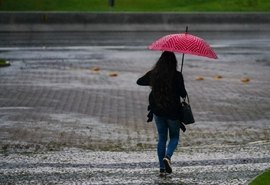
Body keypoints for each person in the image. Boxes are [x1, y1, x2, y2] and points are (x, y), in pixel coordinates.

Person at [136, 51, 187, 177]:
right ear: (174, 62)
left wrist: (152, 79)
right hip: (173, 112)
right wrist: (179, 79)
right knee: (174, 137)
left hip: (158, 111)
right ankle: (168, 157)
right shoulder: (177, 75)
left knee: (162, 138)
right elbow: (183, 94)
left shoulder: (154, 74)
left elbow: (139, 81)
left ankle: (161, 168)